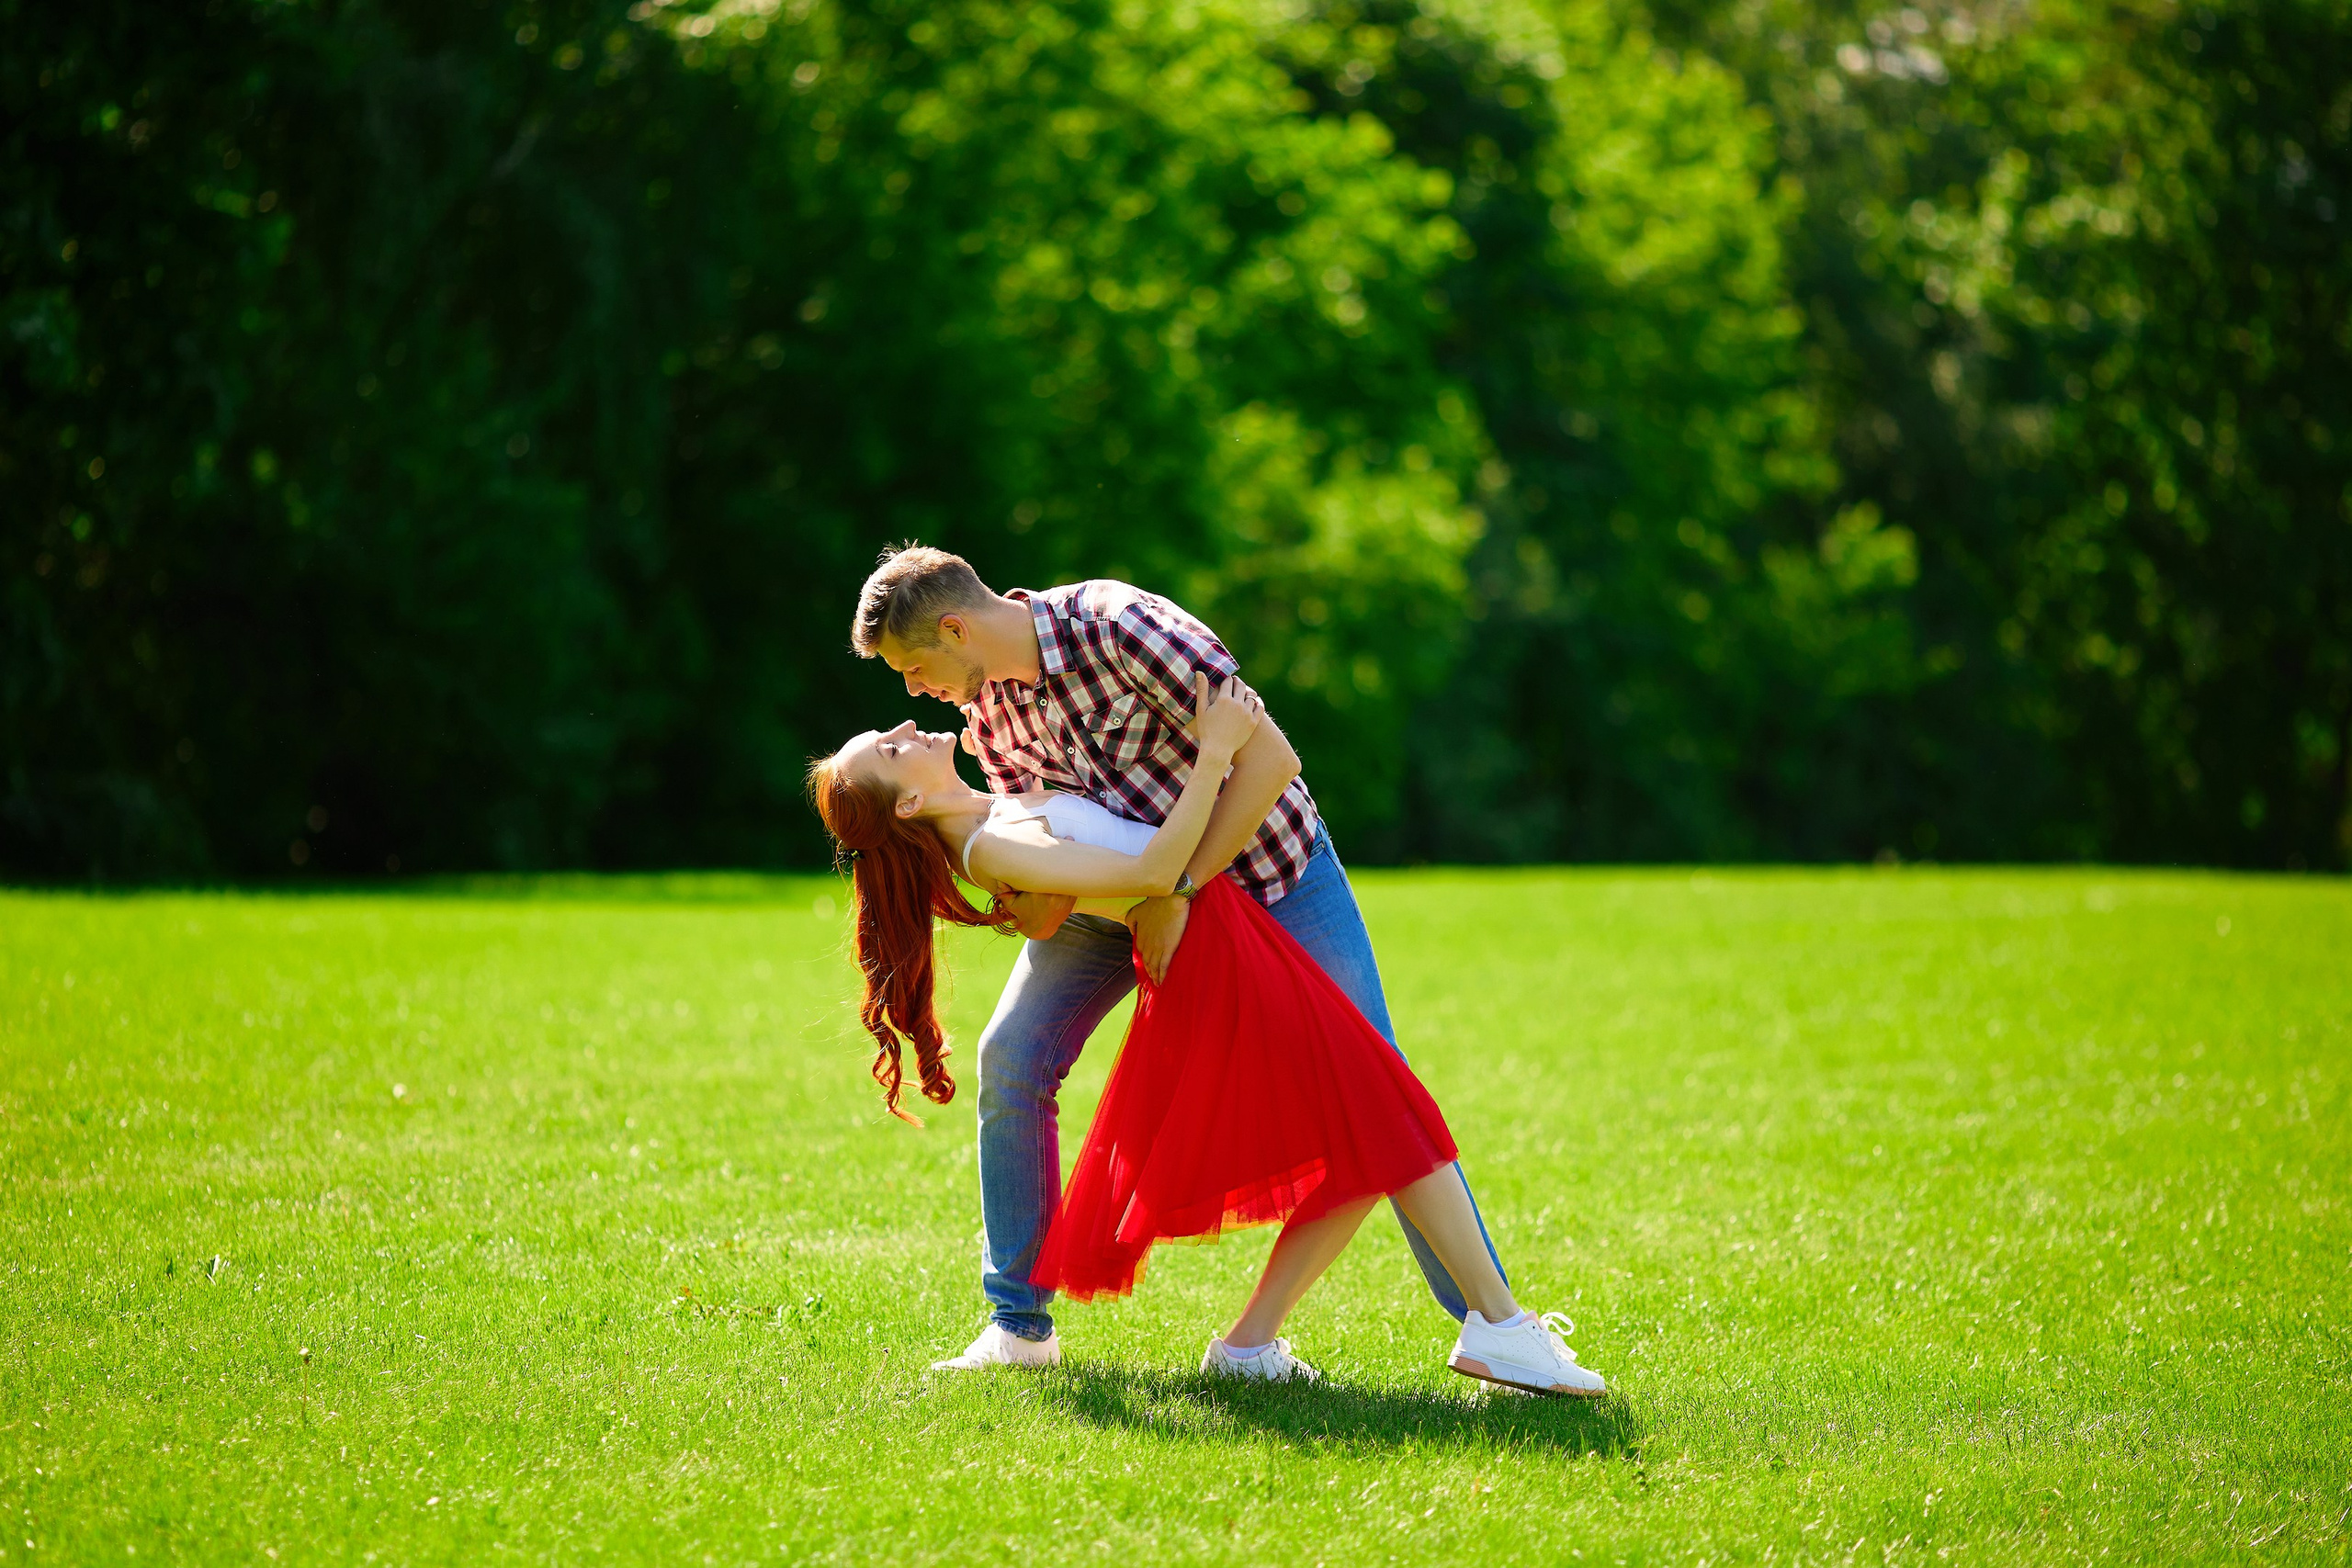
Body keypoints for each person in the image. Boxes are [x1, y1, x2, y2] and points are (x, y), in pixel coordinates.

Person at [806, 548, 1607, 1396]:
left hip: (1265, 876)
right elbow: (1043, 871)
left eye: (915, 666)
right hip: (1130, 898)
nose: (914, 692)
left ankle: (1485, 1322)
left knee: (1376, 1080)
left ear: (958, 628)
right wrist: (1013, 880)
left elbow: (1269, 764)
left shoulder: (1122, 627)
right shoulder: (985, 716)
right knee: (1012, 1053)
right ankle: (1017, 1324)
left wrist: (1174, 888)